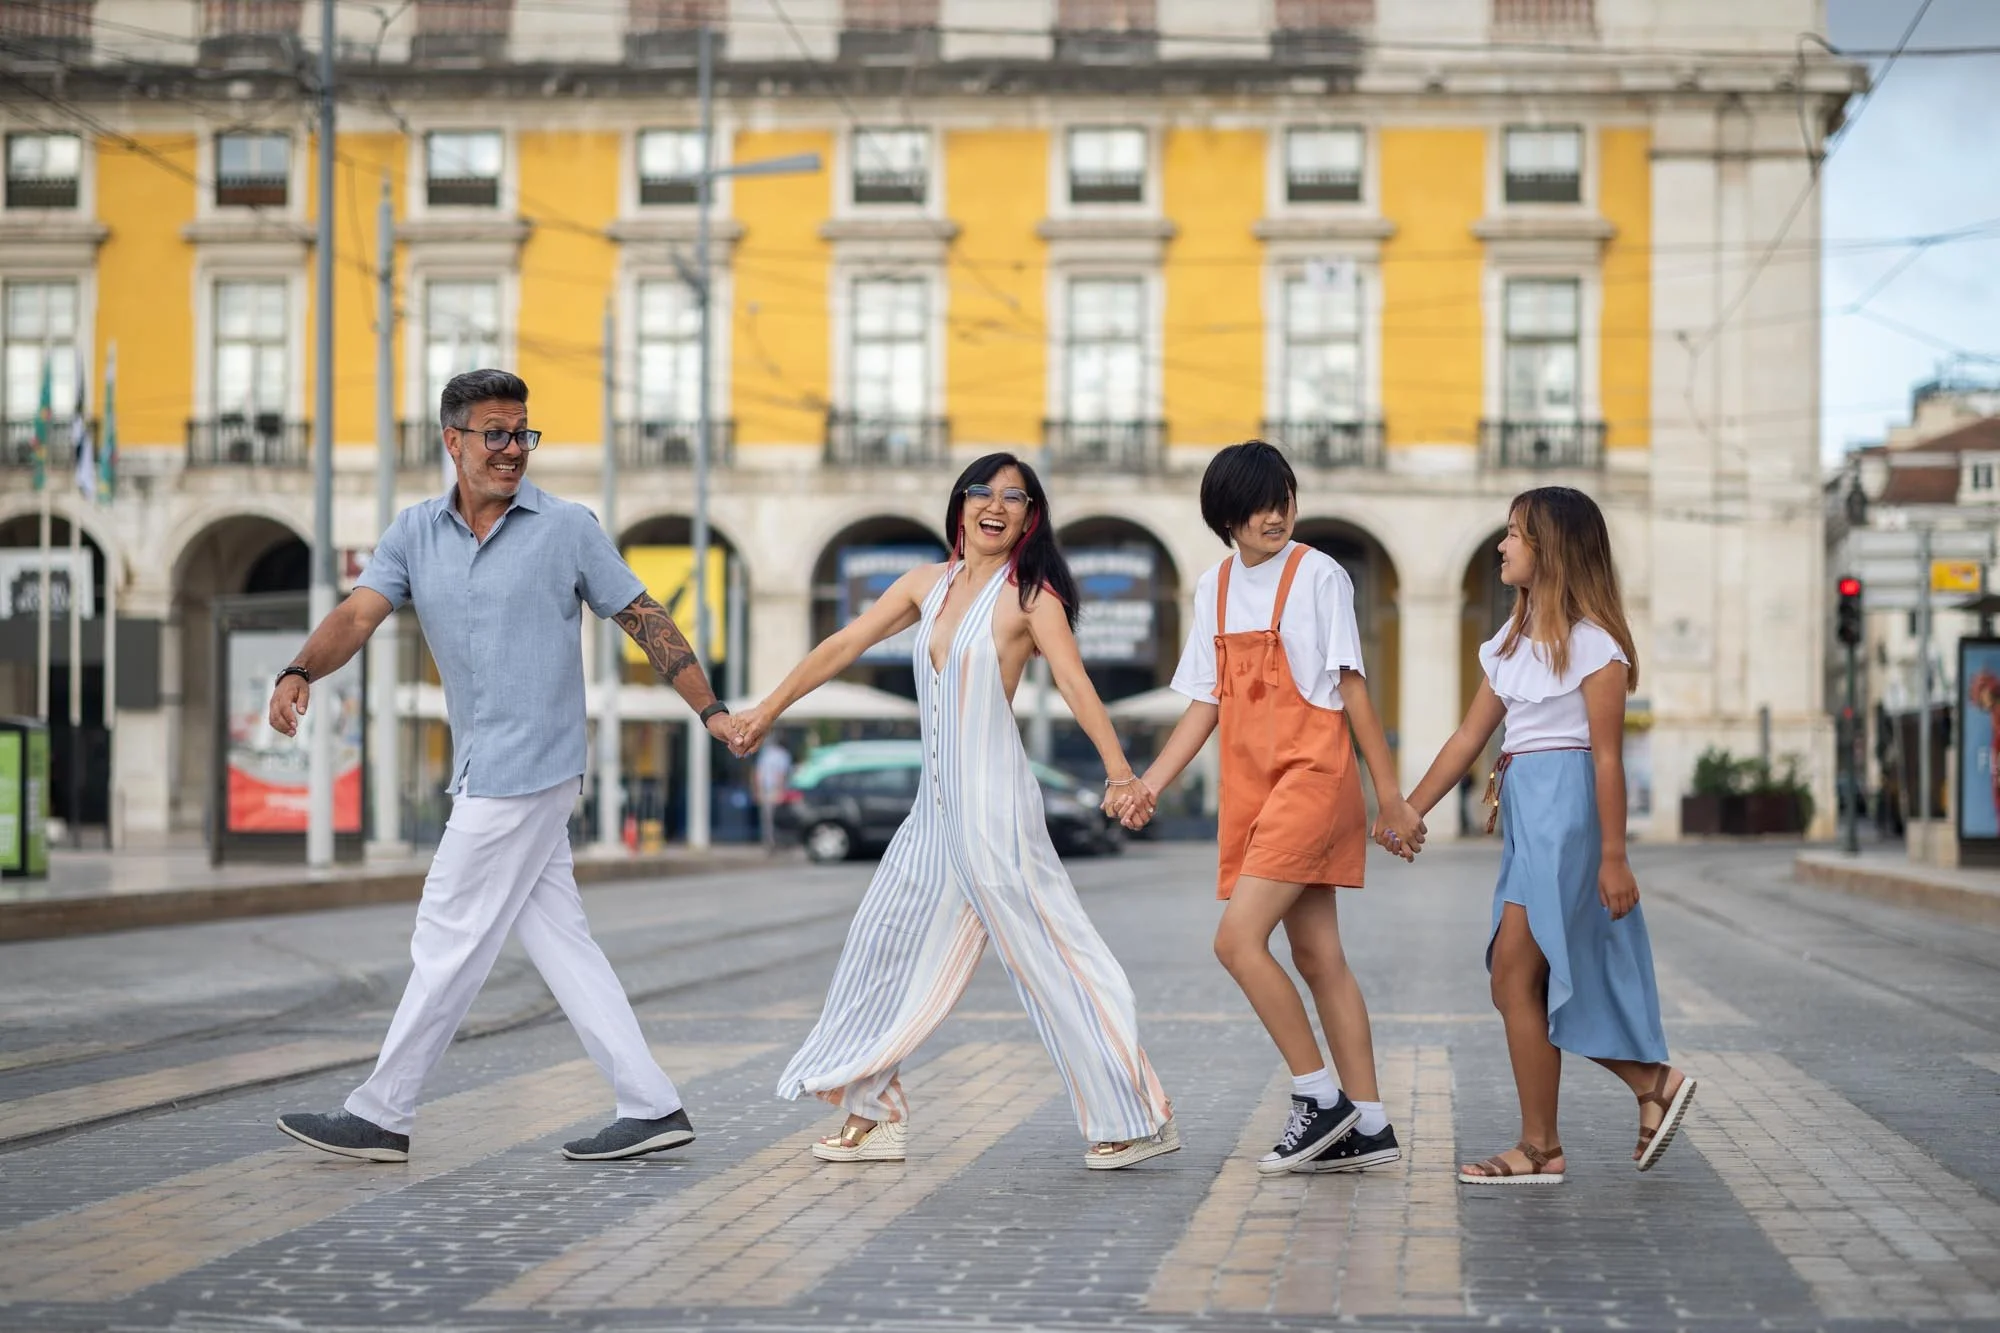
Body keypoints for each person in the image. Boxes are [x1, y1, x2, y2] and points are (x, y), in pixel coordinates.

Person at [266, 369, 743, 1165]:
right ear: (453, 441)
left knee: (446, 930)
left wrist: (712, 710)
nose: (513, 448)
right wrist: (300, 670)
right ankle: (651, 1101)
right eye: (496, 433)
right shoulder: (414, 533)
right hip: (486, 762)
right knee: (563, 944)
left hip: (530, 766)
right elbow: (358, 614)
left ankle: (383, 1110)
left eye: (523, 432)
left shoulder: (566, 527)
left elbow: (644, 615)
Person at [733, 453, 1177, 1170]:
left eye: (1014, 497)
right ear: (961, 503)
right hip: (935, 817)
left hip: (998, 814)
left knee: (1055, 960)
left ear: (1030, 518)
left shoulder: (1032, 599)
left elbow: (1075, 682)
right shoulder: (922, 586)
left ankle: (1133, 1113)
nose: (995, 505)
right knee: (882, 944)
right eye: (983, 491)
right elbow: (844, 644)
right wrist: (766, 709)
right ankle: (874, 1112)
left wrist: (1122, 773)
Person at [1121, 441, 1422, 1175]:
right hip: (1251, 791)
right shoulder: (1213, 587)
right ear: (1225, 514)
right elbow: (1205, 704)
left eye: (1285, 496)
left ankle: (1319, 1097)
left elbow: (1351, 686)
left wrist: (1393, 799)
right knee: (1319, 955)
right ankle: (1371, 1124)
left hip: (1313, 779)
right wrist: (1150, 781)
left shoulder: (1319, 574)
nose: (1277, 513)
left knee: (1235, 942)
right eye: (1260, 502)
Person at [1402, 486, 1695, 1185]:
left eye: (1514, 534)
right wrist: (1411, 809)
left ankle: (1554, 1138)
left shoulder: (1596, 646)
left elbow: (1605, 757)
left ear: (1552, 548)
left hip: (1568, 817)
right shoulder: (1508, 645)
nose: (1502, 545)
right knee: (1516, 978)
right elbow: (1470, 736)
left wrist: (1616, 858)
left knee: (1519, 973)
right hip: (1531, 813)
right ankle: (1627, 1095)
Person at [754, 736, 795, 852]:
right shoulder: (783, 755)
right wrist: (780, 791)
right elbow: (781, 774)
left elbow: (759, 773)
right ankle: (777, 842)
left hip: (765, 789)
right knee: (778, 818)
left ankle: (769, 842)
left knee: (767, 819)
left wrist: (758, 791)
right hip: (776, 789)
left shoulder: (766, 754)